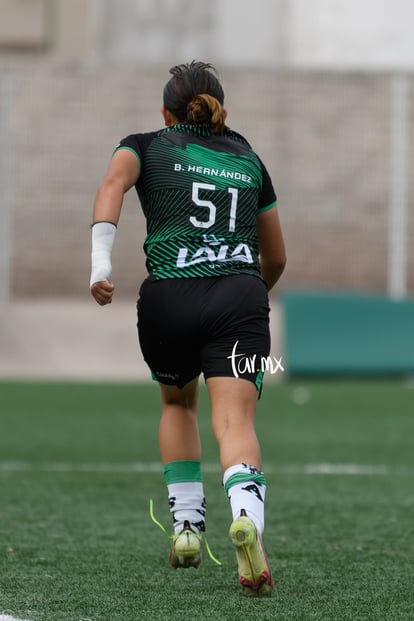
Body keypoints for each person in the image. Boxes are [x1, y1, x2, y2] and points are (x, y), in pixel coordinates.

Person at [90, 61, 286, 597]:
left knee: (178, 405)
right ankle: (246, 522)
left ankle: (186, 530)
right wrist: (245, 298)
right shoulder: (248, 157)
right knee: (235, 420)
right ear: (222, 111)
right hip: (240, 297)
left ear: (165, 111)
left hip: (168, 298)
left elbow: (113, 183)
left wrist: (100, 268)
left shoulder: (144, 144)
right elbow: (277, 256)